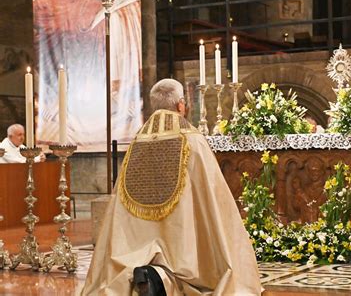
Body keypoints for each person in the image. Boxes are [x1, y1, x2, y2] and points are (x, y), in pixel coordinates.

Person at [82, 79, 261, 295]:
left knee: (142, 248)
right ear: (180, 104)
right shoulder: (192, 138)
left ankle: (152, 275)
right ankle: (162, 277)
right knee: (193, 255)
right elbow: (212, 192)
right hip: (181, 237)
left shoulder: (138, 140)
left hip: (138, 235)